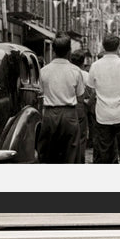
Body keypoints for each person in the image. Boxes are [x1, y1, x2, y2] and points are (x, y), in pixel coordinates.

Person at [86, 34, 120, 165]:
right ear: (118, 47)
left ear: (103, 47)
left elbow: (91, 88)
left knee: (105, 151)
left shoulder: (95, 66)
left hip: (103, 115)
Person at [37, 36, 86, 164]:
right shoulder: (75, 71)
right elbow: (80, 95)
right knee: (71, 152)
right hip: (69, 114)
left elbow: (40, 92)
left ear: (53, 51)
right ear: (69, 51)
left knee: (48, 152)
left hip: (49, 114)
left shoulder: (43, 71)